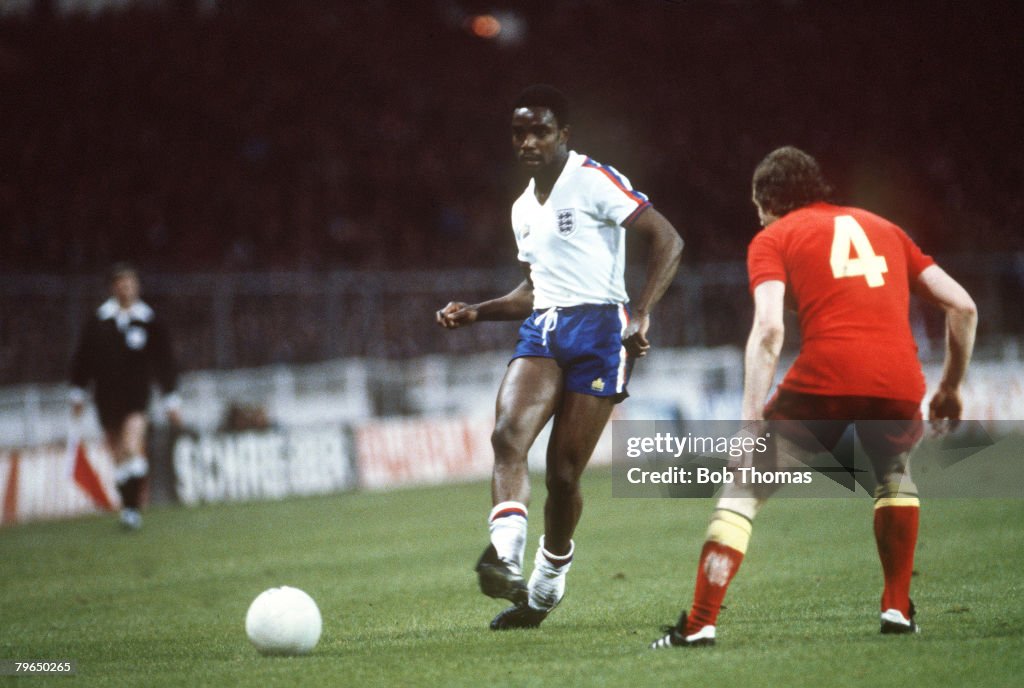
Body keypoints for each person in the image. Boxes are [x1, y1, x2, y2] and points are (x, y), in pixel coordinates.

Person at [651, 146, 977, 648]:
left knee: (744, 489)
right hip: (897, 379)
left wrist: (748, 420)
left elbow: (768, 331)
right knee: (894, 477)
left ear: (766, 201)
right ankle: (896, 608)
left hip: (825, 377)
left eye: (757, 207)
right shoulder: (886, 229)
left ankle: (698, 624)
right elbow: (964, 306)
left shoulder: (773, 236)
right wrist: (951, 387)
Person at [436, 85, 684, 629]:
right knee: (507, 436)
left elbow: (667, 238)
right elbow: (533, 290)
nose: (528, 141)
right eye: (520, 132)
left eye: (540, 130)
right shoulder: (522, 207)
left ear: (563, 135)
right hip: (545, 327)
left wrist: (641, 313)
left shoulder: (593, 179)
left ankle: (546, 587)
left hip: (600, 329)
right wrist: (476, 312)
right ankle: (504, 557)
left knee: (565, 476)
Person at [70, 263, 182, 530]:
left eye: (130, 283)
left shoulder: (149, 320)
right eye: (120, 283)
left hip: (136, 396)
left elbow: (164, 361)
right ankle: (130, 510)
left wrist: (171, 399)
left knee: (132, 446)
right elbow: (82, 360)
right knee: (119, 455)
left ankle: (133, 508)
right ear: (113, 288)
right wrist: (77, 392)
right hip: (106, 397)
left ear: (137, 286)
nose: (126, 288)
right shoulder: (98, 321)